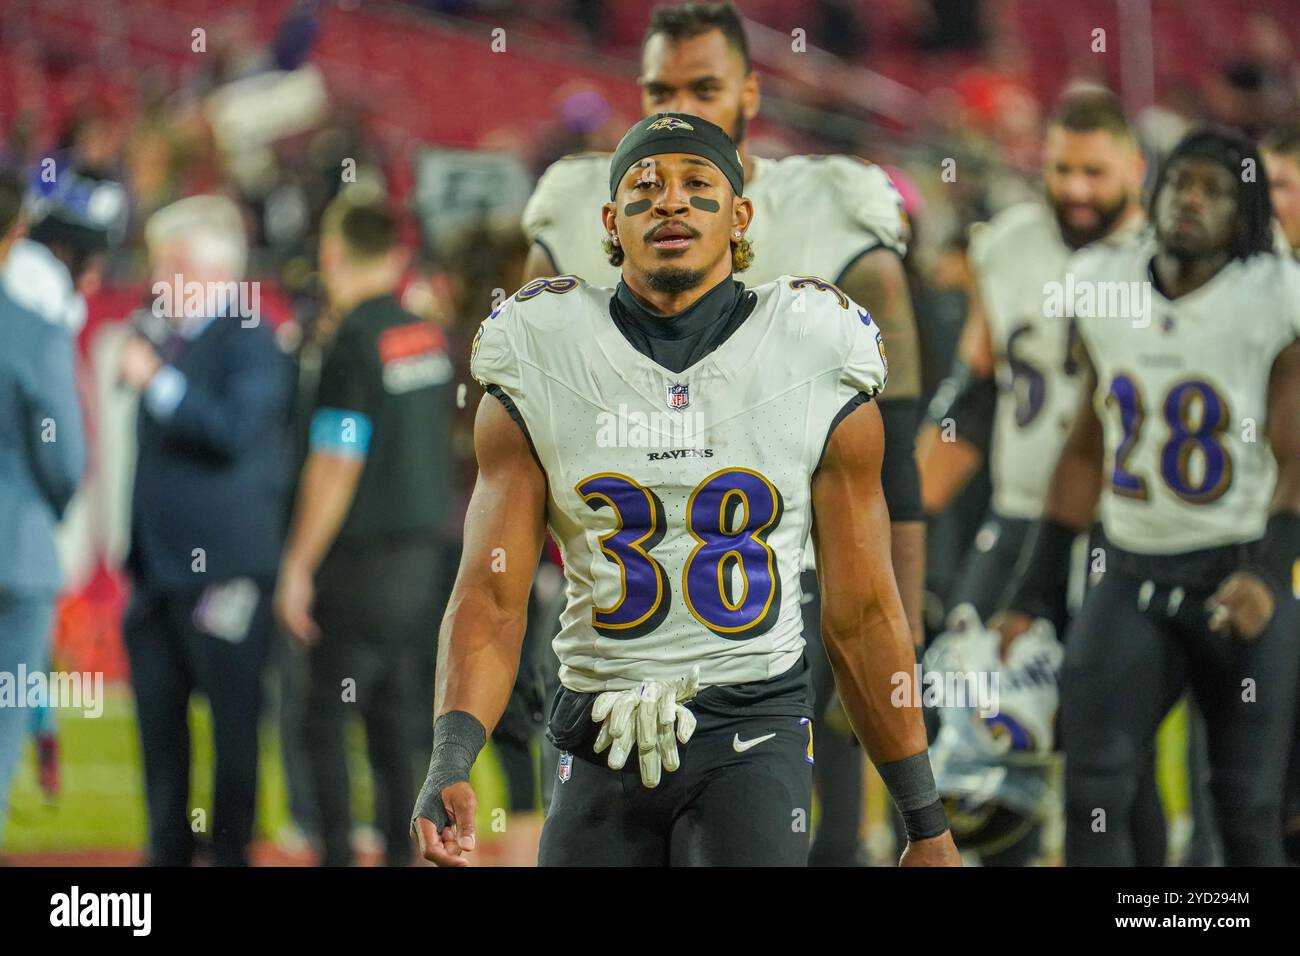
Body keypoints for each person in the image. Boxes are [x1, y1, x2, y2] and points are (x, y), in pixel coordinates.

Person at [412, 113, 959, 867]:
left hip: (751, 728)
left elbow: (863, 613)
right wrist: (451, 756)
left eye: (697, 184)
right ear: (610, 221)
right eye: (645, 187)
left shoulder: (810, 346)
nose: (670, 202)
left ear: (740, 215)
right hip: (594, 732)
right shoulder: (543, 347)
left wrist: (922, 818)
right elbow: (492, 593)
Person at [518, 0, 924, 865]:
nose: (686, 107)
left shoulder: (828, 204)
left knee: (823, 829)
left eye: (705, 86)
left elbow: (893, 447)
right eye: (663, 87)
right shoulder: (582, 205)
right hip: (630, 588)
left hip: (790, 579)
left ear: (750, 90)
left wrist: (904, 621)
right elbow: (528, 430)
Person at [1000, 128, 1300, 866]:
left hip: (1237, 566)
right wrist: (1033, 589)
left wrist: (1267, 572)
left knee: (1245, 807)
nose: (1192, 200)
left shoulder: (1274, 294)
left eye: (1215, 190)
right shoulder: (1103, 280)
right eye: (1181, 184)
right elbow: (1086, 442)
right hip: (1129, 568)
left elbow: (1298, 454)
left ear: (1247, 211)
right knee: (1094, 785)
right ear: (1155, 191)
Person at [916, 88, 1168, 865]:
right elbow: (978, 393)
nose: (1077, 189)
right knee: (969, 715)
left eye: (1095, 171)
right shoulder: (1011, 244)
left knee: (1112, 746)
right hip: (1019, 514)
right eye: (1062, 169)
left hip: (1120, 529)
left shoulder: (1169, 259)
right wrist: (904, 507)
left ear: (1134, 166)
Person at [276, 196, 453, 867]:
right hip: (423, 564)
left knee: (321, 721)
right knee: (397, 725)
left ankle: (336, 857)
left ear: (331, 253)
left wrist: (297, 563)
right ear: (398, 255)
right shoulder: (426, 335)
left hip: (357, 567)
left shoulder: (351, 340)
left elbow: (337, 458)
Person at [120, 194, 290, 866]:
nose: (160, 278)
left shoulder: (253, 337)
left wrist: (158, 384)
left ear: (218, 269)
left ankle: (229, 852)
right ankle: (165, 851)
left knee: (233, 723)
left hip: (226, 571)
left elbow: (234, 433)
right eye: (159, 261)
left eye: (175, 262)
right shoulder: (171, 339)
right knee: (158, 726)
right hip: (157, 572)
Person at [0, 168, 86, 843]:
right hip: (14, 556)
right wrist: (36, 511)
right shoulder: (33, 332)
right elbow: (67, 460)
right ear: (17, 235)